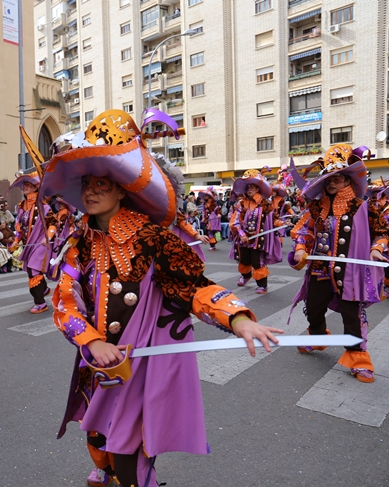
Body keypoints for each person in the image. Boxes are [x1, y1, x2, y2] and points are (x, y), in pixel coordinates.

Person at [39, 108, 281, 487]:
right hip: (98, 363)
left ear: (122, 189)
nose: (92, 191)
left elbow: (194, 285)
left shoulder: (152, 237)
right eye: (88, 183)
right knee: (97, 435)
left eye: (103, 184)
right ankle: (108, 468)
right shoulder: (79, 244)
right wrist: (92, 341)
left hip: (140, 366)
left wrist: (238, 318)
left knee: (129, 455)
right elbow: (65, 301)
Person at [289, 144, 388, 384]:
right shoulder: (316, 207)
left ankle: (359, 358)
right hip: (320, 269)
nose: (332, 184)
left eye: (339, 179)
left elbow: (382, 232)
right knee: (313, 307)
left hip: (351, 271)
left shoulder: (363, 206)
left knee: (352, 315)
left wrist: (377, 249)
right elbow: (302, 231)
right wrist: (301, 248)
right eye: (329, 180)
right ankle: (319, 336)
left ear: (348, 180)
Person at [229, 170, 282, 294]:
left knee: (257, 262)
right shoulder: (241, 204)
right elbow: (234, 221)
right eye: (248, 187)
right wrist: (241, 234)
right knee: (244, 260)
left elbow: (273, 220)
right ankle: (246, 276)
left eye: (253, 187)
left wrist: (283, 223)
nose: (250, 189)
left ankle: (262, 285)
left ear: (258, 189)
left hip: (258, 240)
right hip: (243, 239)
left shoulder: (265, 205)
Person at [9, 169, 53, 313]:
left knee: (33, 270)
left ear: (36, 186)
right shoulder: (22, 207)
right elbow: (19, 226)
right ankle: (43, 288)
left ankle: (40, 302)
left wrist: (49, 237)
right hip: (29, 244)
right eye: (24, 184)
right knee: (31, 270)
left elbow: (53, 223)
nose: (25, 186)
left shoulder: (44, 206)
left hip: (41, 243)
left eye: (28, 184)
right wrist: (16, 241)